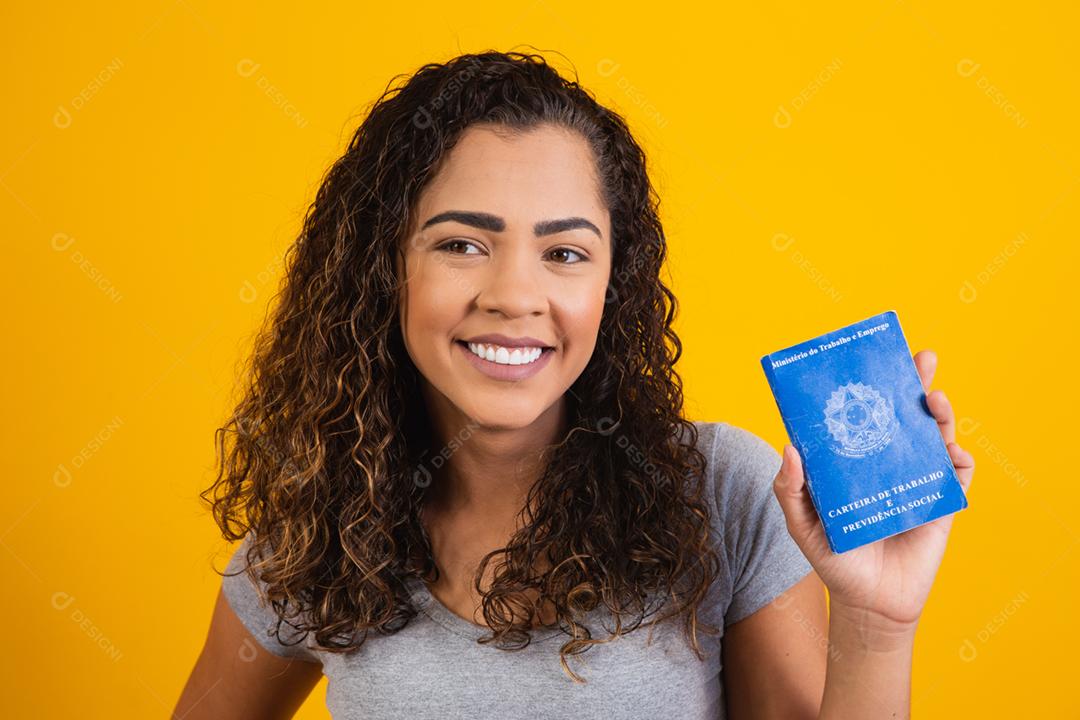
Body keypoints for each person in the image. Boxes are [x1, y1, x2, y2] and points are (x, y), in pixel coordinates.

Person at [174, 50, 975, 719]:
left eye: (564, 253)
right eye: (460, 244)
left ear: (611, 288)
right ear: (382, 270)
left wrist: (875, 621)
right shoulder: (315, 527)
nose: (516, 295)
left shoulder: (723, 491)